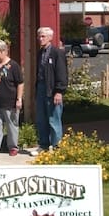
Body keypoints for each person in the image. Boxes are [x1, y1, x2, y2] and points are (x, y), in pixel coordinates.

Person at [33, 26, 68, 156]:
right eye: (39, 36)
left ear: (50, 37)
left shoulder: (57, 53)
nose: (40, 39)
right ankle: (43, 145)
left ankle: (57, 146)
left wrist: (59, 91)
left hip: (53, 90)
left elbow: (62, 73)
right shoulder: (40, 53)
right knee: (41, 119)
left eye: (43, 36)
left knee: (54, 119)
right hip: (41, 88)